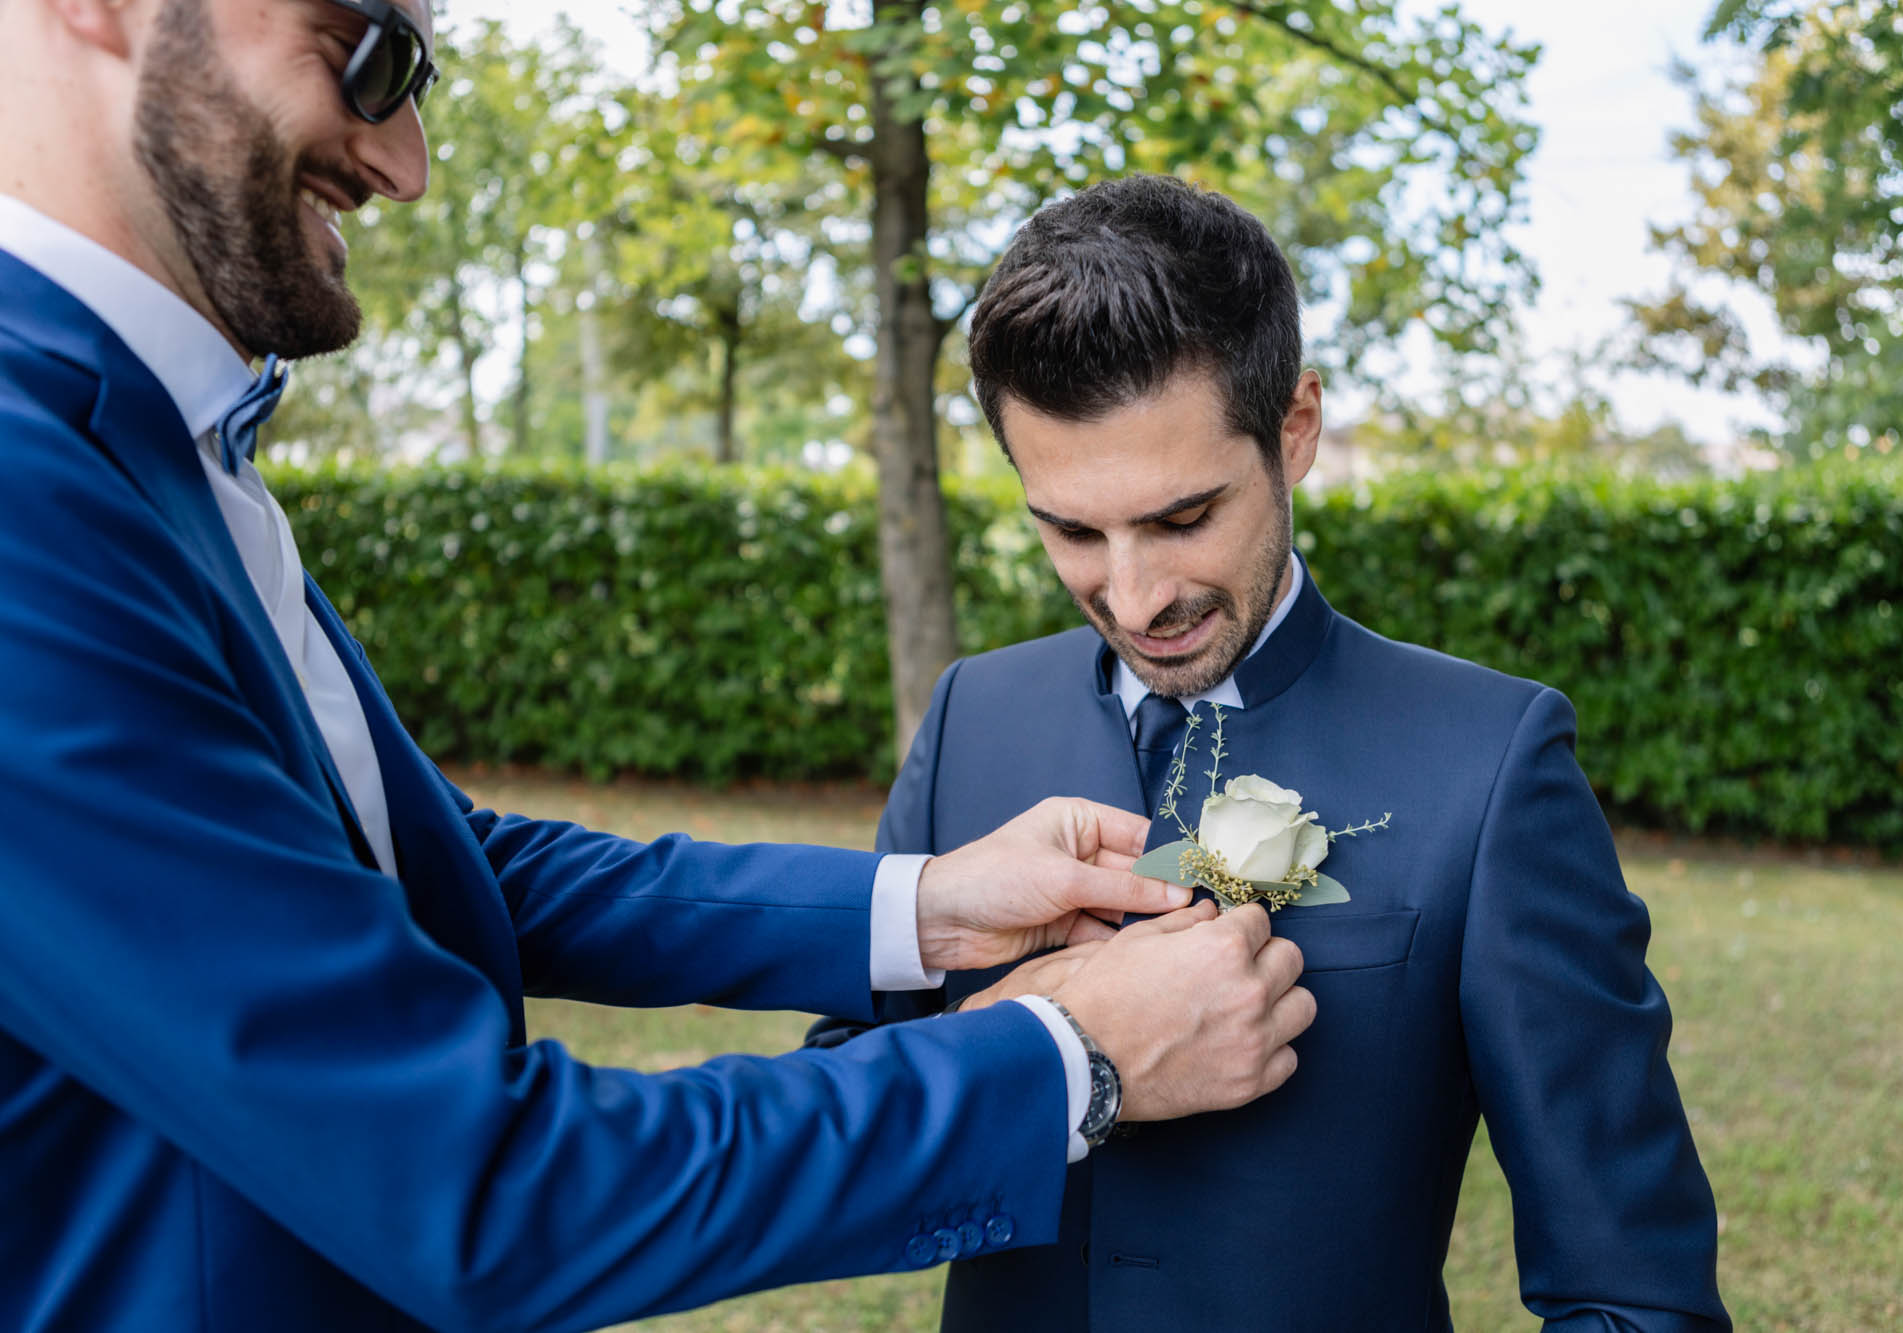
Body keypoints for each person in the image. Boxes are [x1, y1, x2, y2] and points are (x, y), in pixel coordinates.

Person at [0, 4, 1320, 1330]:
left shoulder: (161, 448)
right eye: (366, 48)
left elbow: (436, 872)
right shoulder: (23, 495)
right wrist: (1068, 1058)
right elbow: (484, 1188)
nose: (406, 159)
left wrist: (928, 907)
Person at [814, 175, 1731, 1330]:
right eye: (1070, 530)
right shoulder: (968, 716)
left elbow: (1631, 1294)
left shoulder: (1490, 761)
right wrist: (1026, 1041)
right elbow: (835, 1141)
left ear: (1292, 431)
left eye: (1182, 517)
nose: (1134, 596)